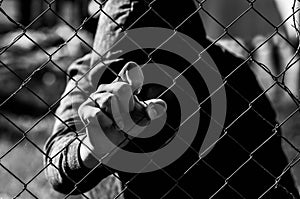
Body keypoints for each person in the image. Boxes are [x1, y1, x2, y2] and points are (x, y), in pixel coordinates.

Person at [44, 0, 300, 198]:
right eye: (120, 66)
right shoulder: (88, 73)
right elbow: (59, 168)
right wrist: (93, 147)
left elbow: (272, 178)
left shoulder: (231, 73)